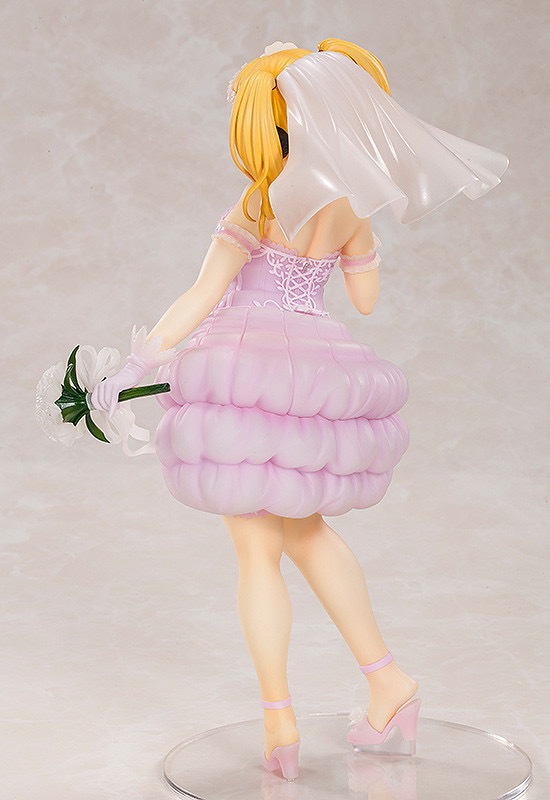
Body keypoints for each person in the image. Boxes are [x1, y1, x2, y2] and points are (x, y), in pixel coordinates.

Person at [91, 39, 508, 781]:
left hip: (246, 372)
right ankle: (389, 683)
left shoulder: (257, 202)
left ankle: (279, 720)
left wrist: (136, 365)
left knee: (257, 551)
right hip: (312, 371)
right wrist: (357, 243)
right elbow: (365, 300)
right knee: (307, 532)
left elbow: (202, 295)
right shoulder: (348, 209)